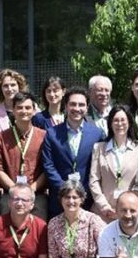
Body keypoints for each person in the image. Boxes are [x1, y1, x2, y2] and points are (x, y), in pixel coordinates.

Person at [42, 86, 105, 218]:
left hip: (86, 198)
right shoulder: (52, 133)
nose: (77, 108)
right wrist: (65, 189)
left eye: (81, 104)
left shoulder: (97, 134)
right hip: (59, 199)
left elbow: (99, 166)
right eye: (73, 104)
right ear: (65, 106)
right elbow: (48, 165)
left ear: (87, 107)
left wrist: (83, 191)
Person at [0, 92, 47, 220]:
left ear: (34, 111)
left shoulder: (44, 137)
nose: (24, 111)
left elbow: (48, 167)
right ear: (13, 110)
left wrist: (31, 190)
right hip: (10, 194)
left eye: (28, 108)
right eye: (19, 107)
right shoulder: (1, 138)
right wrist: (15, 190)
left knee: (37, 233)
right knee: (7, 234)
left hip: (37, 194)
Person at [89, 105, 138, 223]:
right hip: (103, 212)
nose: (119, 124)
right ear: (110, 123)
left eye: (123, 120)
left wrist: (132, 208)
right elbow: (93, 180)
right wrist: (103, 206)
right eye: (115, 120)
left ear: (129, 123)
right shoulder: (99, 148)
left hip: (129, 214)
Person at [0, 68, 29, 145]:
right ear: (1, 89)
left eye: (13, 85)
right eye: (5, 86)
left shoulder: (32, 111)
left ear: (19, 86)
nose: (9, 89)